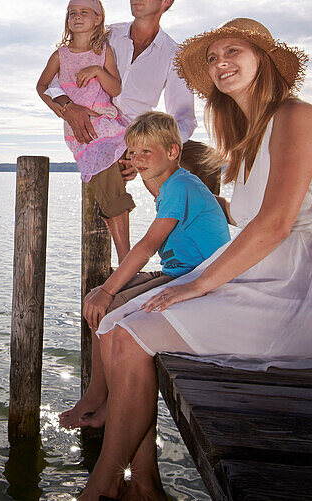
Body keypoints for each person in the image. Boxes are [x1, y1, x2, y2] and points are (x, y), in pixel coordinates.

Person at [80, 18, 312, 501]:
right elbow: (241, 212)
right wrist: (165, 178)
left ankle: (104, 485)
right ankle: (145, 481)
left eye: (233, 52)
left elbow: (275, 223)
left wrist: (196, 285)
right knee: (115, 325)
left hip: (310, 291)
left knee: (132, 335)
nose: (221, 63)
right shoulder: (249, 141)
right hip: (268, 275)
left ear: (265, 61)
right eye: (214, 58)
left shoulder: (298, 117)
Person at [59, 111, 229, 432]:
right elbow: (149, 178)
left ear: (173, 152)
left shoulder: (179, 186)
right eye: (132, 152)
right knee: (98, 298)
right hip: (179, 273)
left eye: (145, 152)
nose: (136, 160)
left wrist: (110, 290)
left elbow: (147, 246)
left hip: (197, 281)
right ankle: (100, 394)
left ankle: (104, 400)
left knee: (108, 306)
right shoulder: (171, 183)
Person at [46, 0, 220, 265]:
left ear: (166, 1)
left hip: (141, 132)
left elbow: (183, 117)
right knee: (107, 168)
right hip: (94, 125)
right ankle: (127, 266)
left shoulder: (174, 54)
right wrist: (68, 108)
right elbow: (55, 76)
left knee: (203, 161)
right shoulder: (105, 34)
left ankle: (197, 256)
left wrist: (146, 149)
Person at [37, 0, 132, 253]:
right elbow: (42, 86)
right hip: (85, 130)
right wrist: (61, 109)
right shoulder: (61, 55)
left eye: (84, 12)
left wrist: (98, 71)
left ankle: (135, 252)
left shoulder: (103, 52)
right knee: (109, 183)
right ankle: (127, 257)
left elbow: (115, 88)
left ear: (98, 19)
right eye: (72, 13)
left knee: (129, 163)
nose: (77, 17)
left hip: (108, 123)